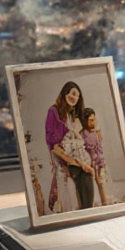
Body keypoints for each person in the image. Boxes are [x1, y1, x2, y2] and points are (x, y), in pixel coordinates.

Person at [45, 81, 95, 212]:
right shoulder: (53, 112)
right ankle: (87, 212)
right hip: (64, 160)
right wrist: (79, 163)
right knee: (84, 174)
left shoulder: (71, 115)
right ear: (65, 93)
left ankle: (88, 212)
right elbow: (54, 146)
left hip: (75, 159)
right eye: (73, 94)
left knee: (87, 177)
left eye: (77, 96)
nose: (75, 98)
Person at [81, 108, 110, 206]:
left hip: (99, 163)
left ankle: (104, 202)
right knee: (97, 186)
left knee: (102, 185)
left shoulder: (95, 133)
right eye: (91, 120)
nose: (93, 122)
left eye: (94, 120)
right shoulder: (84, 135)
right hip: (91, 165)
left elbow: (100, 149)